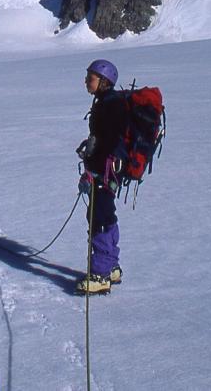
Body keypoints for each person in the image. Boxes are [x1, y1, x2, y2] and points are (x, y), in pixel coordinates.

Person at [75, 58, 128, 295]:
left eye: (91, 77)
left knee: (100, 217)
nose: (86, 81)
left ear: (104, 81)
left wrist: (97, 164)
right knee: (104, 213)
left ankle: (100, 274)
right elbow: (106, 135)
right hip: (106, 169)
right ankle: (111, 266)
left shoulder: (110, 104)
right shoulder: (106, 102)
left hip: (105, 170)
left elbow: (115, 137)